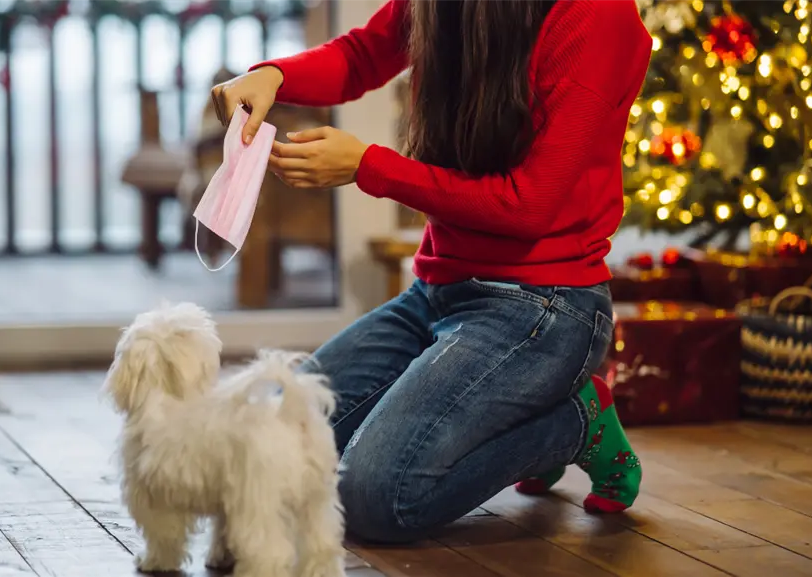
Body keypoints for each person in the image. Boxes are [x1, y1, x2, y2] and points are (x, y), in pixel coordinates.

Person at [211, 0, 652, 543]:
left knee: (375, 498)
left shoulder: (596, 17)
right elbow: (364, 55)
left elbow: (529, 205)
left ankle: (575, 422)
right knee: (272, 445)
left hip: (546, 307)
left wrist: (368, 166)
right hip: (438, 293)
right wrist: (272, 75)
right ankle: (511, 416)